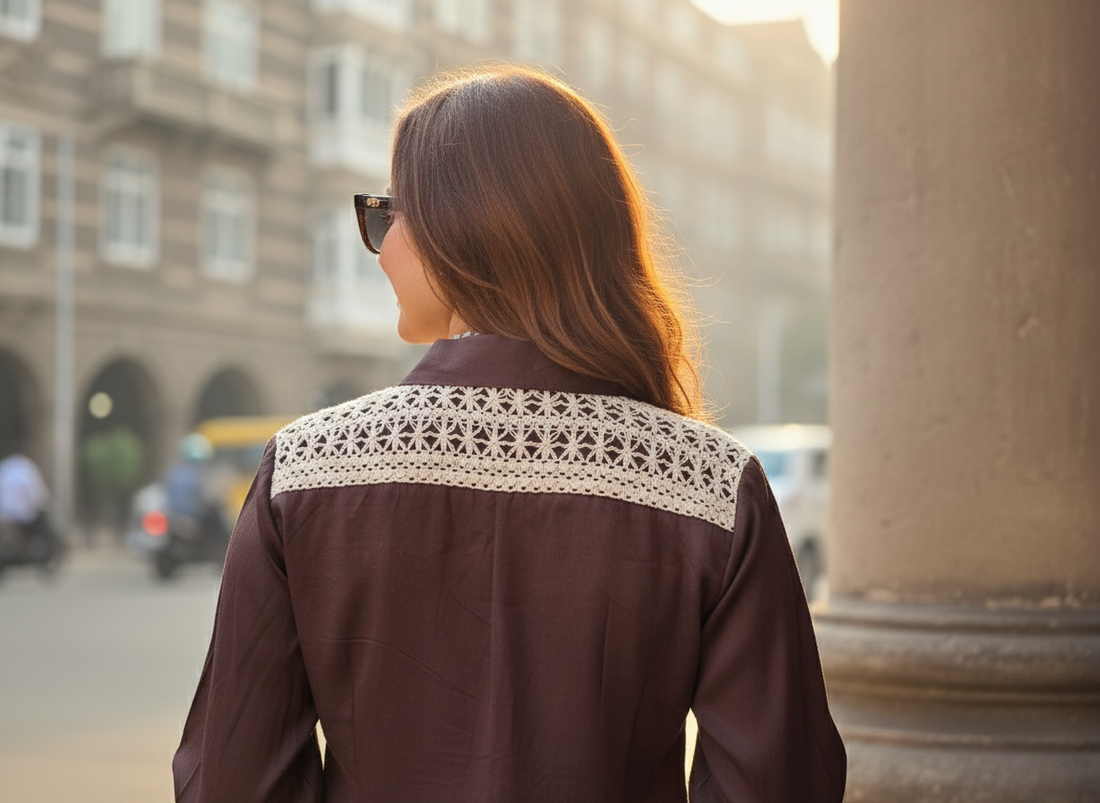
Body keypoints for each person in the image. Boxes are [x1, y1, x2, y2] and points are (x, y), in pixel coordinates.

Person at [173, 66, 846, 802]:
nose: (381, 247)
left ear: (460, 227)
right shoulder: (710, 488)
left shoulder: (302, 473)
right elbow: (779, 781)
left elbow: (234, 780)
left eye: (390, 215)